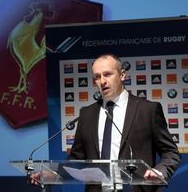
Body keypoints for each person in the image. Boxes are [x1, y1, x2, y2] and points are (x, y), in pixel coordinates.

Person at [31, 53, 180, 192]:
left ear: (122, 75)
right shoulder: (87, 114)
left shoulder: (148, 110)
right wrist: (54, 173)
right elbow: (76, 159)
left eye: (107, 74)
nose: (102, 81)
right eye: (97, 77)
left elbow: (170, 152)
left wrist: (160, 170)